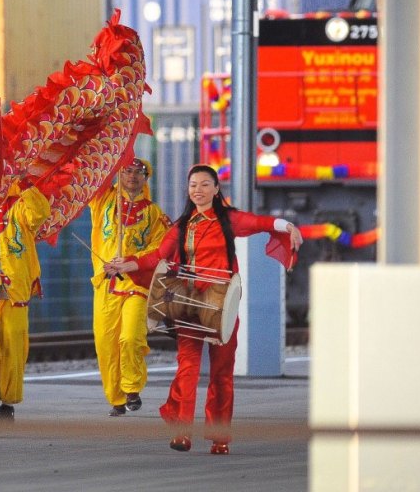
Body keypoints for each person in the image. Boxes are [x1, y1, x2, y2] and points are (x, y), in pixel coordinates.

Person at [105, 164, 303, 454]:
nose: (198, 190)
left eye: (205, 184)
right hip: (189, 304)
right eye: (193, 185)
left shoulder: (229, 219)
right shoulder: (181, 226)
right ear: (188, 190)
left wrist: (289, 227)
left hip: (222, 306)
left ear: (216, 189)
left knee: (222, 373)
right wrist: (127, 264)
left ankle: (219, 437)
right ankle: (182, 432)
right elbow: (157, 257)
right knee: (187, 368)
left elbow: (261, 222)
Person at [89, 157, 171, 416]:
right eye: (127, 171)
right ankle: (116, 398)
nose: (132, 176)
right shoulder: (103, 202)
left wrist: (131, 261)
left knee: (131, 337)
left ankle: (132, 387)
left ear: (146, 178)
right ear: (119, 174)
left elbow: (159, 249)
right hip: (106, 285)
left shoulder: (154, 213)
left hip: (137, 284)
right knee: (106, 343)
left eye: (138, 172)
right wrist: (114, 156)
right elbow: (97, 177)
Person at [0, 177, 51, 423]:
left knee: (13, 349)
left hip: (15, 290)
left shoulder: (21, 207)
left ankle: (8, 402)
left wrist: (24, 183)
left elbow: (40, 213)